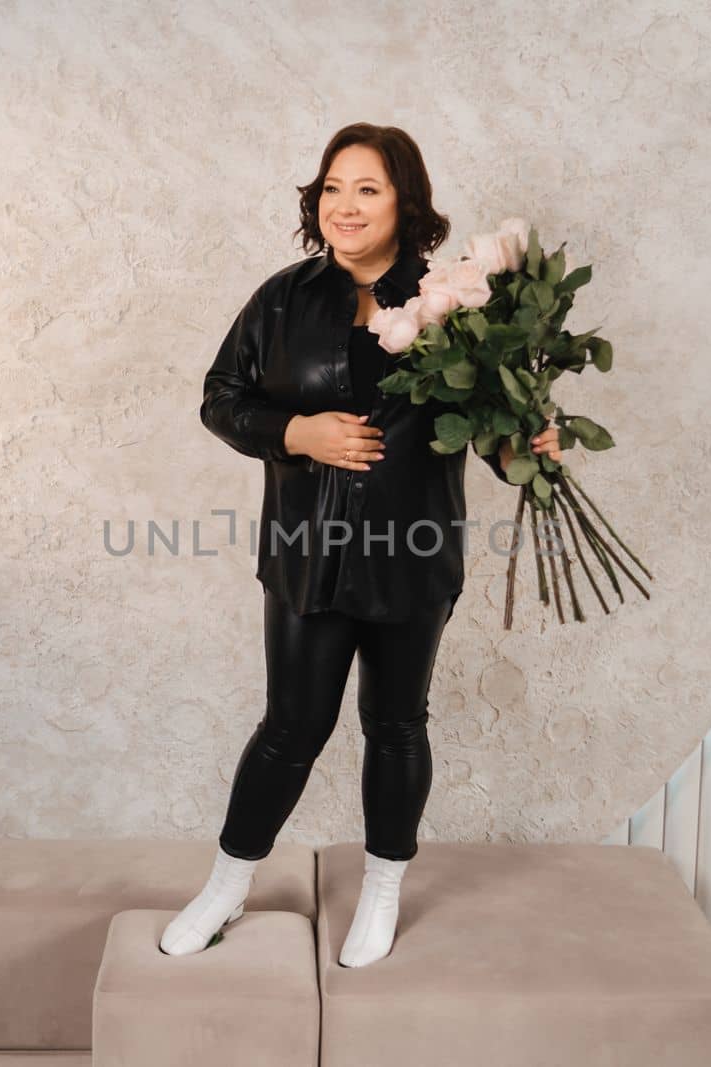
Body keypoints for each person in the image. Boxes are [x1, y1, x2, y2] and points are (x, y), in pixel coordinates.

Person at [161, 124, 562, 967]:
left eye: (367, 189)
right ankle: (227, 885)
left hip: (413, 554)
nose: (344, 205)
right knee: (290, 727)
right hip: (306, 551)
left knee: (396, 723)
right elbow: (219, 398)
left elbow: (488, 428)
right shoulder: (282, 299)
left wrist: (528, 445)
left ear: (405, 203)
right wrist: (295, 432)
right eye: (332, 187)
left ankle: (382, 892)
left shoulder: (458, 302)